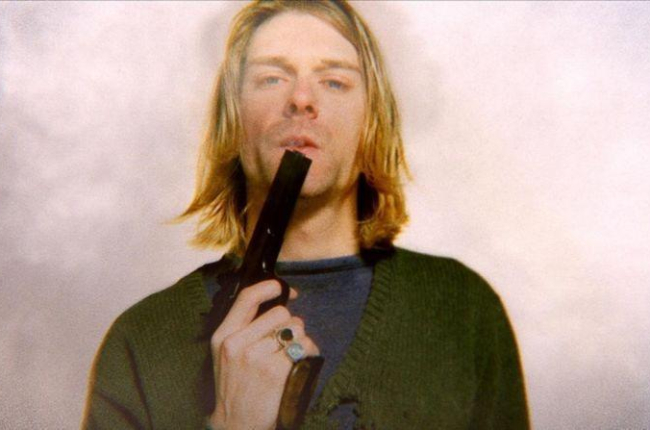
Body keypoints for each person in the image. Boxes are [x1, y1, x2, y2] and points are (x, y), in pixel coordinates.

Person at [83, 1, 530, 429]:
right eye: (271, 78)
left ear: (371, 123)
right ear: (233, 122)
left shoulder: (463, 311)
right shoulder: (141, 342)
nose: (301, 99)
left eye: (334, 82)